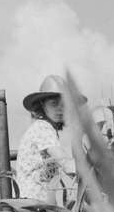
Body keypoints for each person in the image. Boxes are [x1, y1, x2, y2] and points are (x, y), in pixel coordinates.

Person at [15, 75, 77, 203]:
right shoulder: (43, 127)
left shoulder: (47, 129)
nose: (60, 109)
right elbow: (63, 160)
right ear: (42, 104)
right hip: (35, 202)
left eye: (64, 105)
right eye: (54, 104)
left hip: (39, 202)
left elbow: (53, 174)